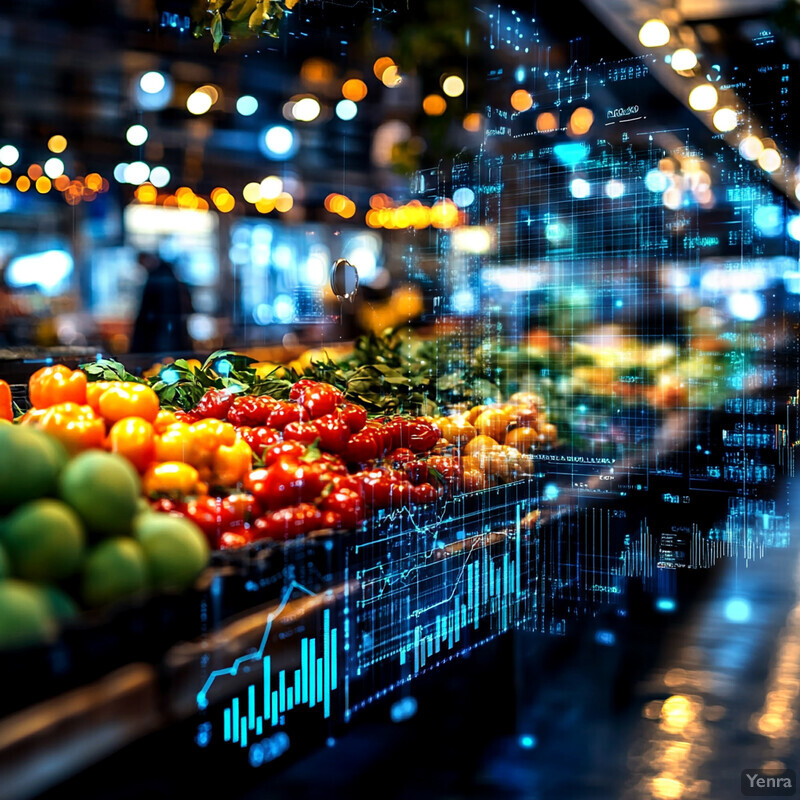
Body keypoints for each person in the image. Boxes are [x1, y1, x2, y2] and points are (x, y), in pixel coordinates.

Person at [130, 252, 193, 355]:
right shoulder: (166, 274)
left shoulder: (160, 277)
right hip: (166, 329)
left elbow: (154, 307)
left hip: (161, 330)